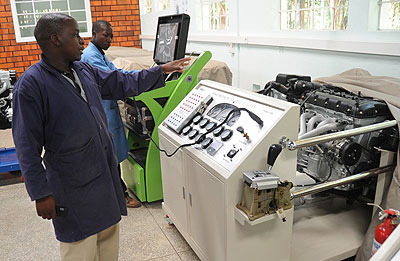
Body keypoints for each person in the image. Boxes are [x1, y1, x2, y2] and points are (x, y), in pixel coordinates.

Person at [12, 13, 189, 260]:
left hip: (102, 179)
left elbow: (122, 81)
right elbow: (26, 147)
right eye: (74, 35)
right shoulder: (32, 85)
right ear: (55, 40)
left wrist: (159, 72)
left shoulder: (83, 70)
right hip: (71, 186)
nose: (82, 41)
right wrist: (41, 193)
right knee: (80, 249)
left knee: (108, 245)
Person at [81, 20, 140, 208]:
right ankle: (120, 195)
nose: (109, 39)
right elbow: (112, 79)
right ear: (95, 34)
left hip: (108, 109)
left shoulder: (99, 53)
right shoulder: (91, 56)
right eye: (105, 35)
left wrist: (138, 76)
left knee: (111, 155)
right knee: (109, 155)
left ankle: (117, 193)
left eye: (111, 36)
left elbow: (115, 72)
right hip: (103, 112)